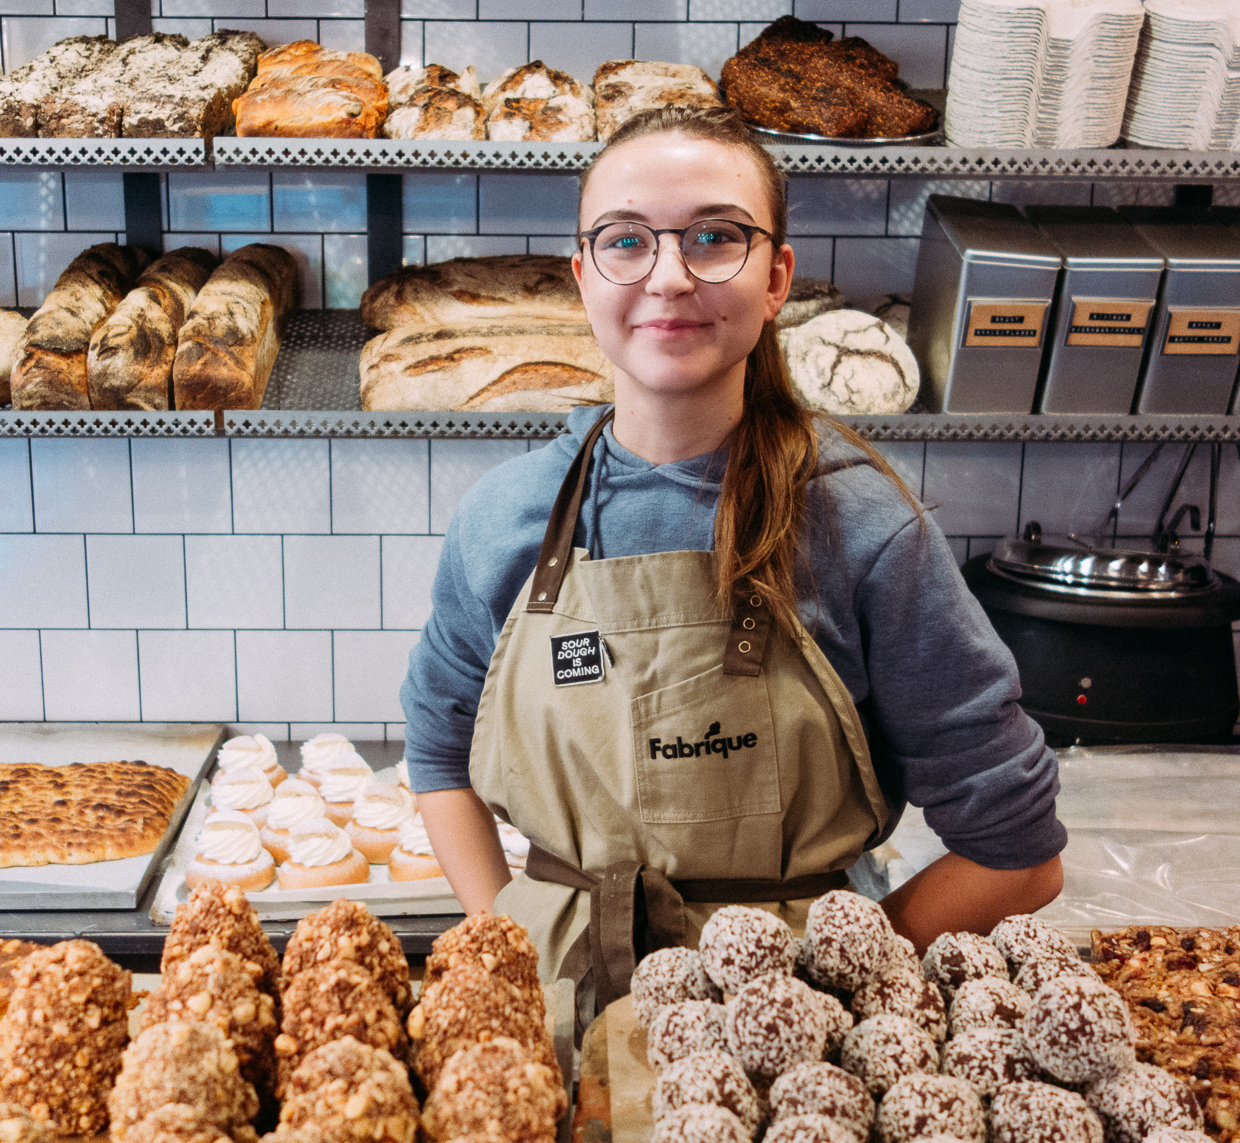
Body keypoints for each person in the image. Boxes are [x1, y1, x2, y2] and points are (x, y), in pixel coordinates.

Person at [398, 106, 1065, 1009]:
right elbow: (438, 754)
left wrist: (825, 990)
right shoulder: (505, 519)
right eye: (626, 241)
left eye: (716, 237)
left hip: (788, 1060)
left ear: (777, 276)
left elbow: (1018, 851)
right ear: (582, 277)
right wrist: (504, 950)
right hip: (558, 1024)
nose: (669, 277)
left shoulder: (861, 524)